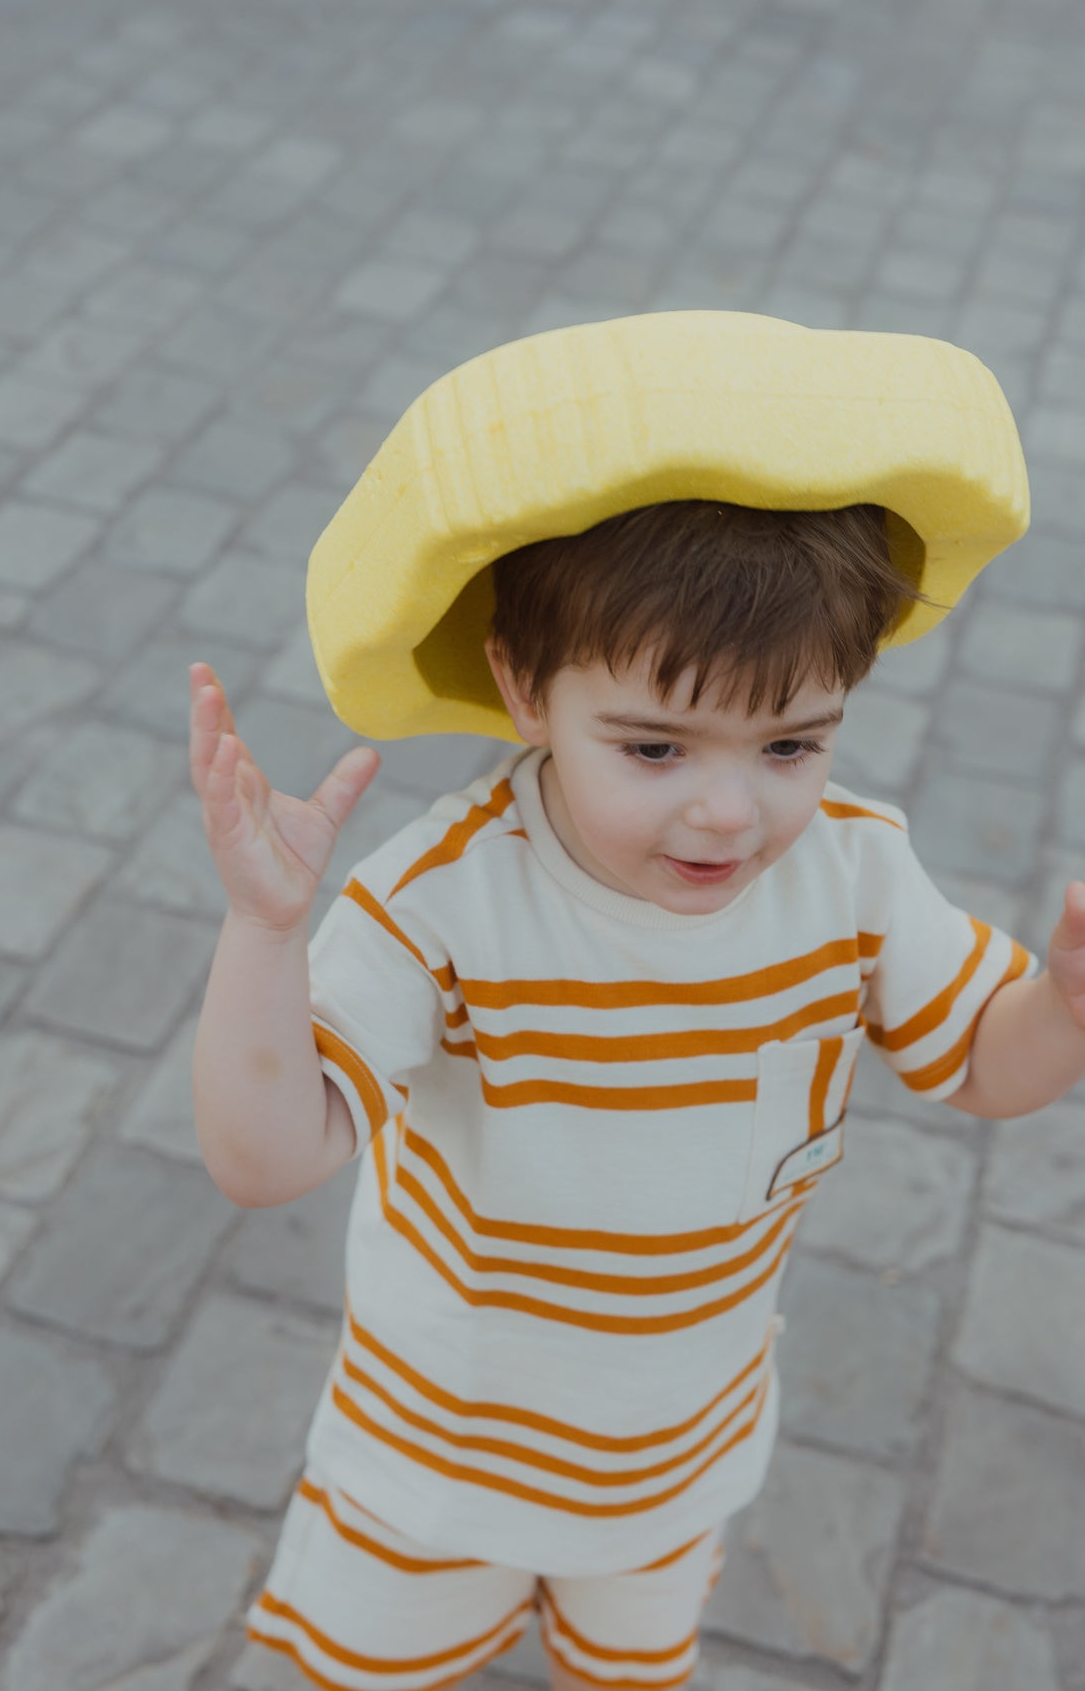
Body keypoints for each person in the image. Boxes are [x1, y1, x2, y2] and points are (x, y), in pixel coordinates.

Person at [189, 497, 1085, 1691]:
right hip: (445, 1458)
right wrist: (264, 932)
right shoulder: (443, 905)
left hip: (676, 1456)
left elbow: (980, 1057)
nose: (729, 810)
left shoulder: (853, 870)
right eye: (655, 749)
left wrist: (1065, 1012)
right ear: (524, 689)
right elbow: (265, 1158)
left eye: (790, 747)